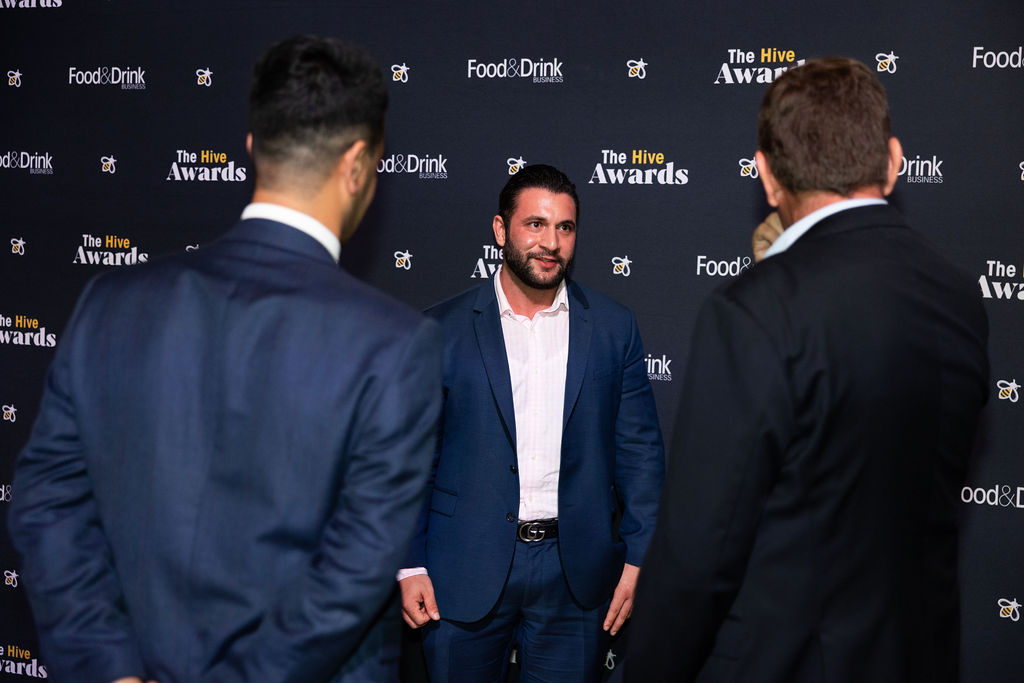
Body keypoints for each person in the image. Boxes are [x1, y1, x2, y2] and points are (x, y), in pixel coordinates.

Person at [7, 35, 442, 683]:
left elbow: (46, 506)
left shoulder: (111, 302)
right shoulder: (395, 345)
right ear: (357, 164)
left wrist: (112, 667)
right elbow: (351, 574)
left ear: (251, 146)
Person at [621, 58, 989, 682]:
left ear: (766, 177)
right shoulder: (959, 296)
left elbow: (698, 554)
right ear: (893, 160)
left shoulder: (756, 308)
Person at [398, 164, 665, 681]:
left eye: (565, 227)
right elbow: (411, 460)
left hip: (576, 576)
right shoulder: (439, 329)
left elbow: (640, 454)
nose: (551, 242)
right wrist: (409, 563)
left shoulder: (614, 327)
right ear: (501, 230)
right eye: (535, 224)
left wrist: (640, 559)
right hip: (462, 569)